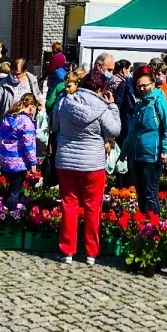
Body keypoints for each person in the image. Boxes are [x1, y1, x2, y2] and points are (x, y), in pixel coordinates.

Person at [52, 71, 121, 264]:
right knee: (92, 207)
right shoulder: (102, 107)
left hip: (66, 160)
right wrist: (113, 106)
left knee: (69, 204)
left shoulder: (64, 101)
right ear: (100, 89)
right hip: (92, 163)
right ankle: (91, 253)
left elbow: (54, 125)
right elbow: (115, 130)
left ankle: (67, 251)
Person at [123, 65, 167, 213]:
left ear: (153, 84)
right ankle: (143, 226)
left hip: (153, 155)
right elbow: (132, 130)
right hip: (138, 155)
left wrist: (166, 149)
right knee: (141, 194)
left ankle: (153, 226)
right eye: (139, 86)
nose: (142, 88)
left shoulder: (159, 101)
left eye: (145, 85)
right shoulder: (140, 104)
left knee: (150, 193)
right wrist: (125, 149)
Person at [0, 94, 38, 209]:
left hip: (5, 159)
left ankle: (3, 208)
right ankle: (11, 214)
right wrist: (33, 162)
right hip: (19, 161)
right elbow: (28, 144)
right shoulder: (26, 122)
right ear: (31, 106)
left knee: (10, 187)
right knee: (15, 190)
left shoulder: (7, 117)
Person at [0, 57, 40, 136]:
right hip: (8, 127)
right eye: (12, 73)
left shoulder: (32, 81)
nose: (14, 76)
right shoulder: (4, 83)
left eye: (17, 74)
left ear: (25, 72)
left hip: (26, 129)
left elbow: (37, 97)